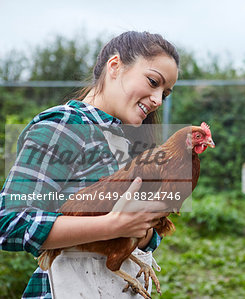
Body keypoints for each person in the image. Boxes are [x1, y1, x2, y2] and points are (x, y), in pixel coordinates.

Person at [0, 31, 179, 298]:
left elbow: (143, 234)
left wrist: (143, 228)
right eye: (153, 82)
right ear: (115, 66)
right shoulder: (64, 126)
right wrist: (112, 226)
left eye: (164, 94)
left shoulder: (129, 141)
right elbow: (10, 220)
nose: (156, 100)